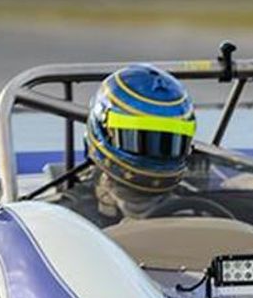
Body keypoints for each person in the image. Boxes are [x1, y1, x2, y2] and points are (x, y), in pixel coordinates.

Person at [76, 63, 197, 221]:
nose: (156, 153)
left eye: (168, 142)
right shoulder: (69, 217)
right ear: (104, 131)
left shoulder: (200, 203)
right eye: (141, 140)